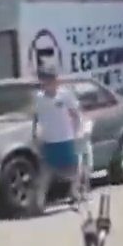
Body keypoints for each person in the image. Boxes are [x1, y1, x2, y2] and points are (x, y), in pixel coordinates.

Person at [32, 66, 83, 213]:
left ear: (56, 81)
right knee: (46, 172)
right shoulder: (39, 98)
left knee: (75, 168)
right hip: (49, 140)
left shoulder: (65, 95)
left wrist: (77, 131)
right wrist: (36, 135)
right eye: (46, 81)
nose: (49, 83)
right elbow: (36, 117)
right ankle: (39, 203)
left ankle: (74, 193)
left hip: (66, 138)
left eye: (52, 80)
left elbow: (75, 113)